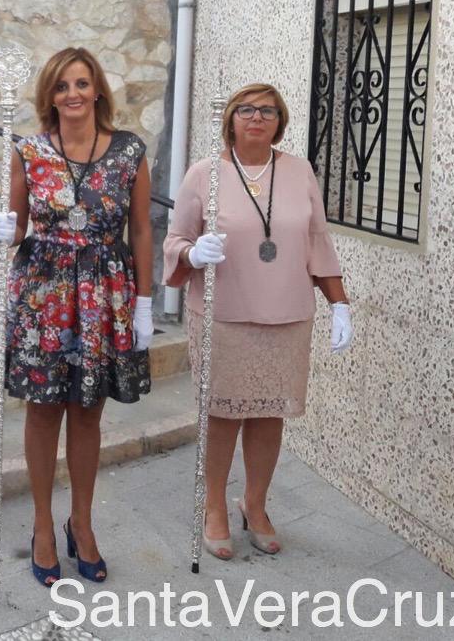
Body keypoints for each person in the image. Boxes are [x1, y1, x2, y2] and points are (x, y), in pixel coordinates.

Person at [0, 47, 154, 587]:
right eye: (61, 86)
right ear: (49, 96)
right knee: (42, 411)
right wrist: (2, 230)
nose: (73, 94)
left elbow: (143, 230)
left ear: (98, 90)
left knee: (88, 413)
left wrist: (145, 301)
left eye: (82, 83)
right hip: (44, 296)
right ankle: (41, 525)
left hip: (105, 292)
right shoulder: (29, 150)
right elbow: (16, 227)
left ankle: (81, 523)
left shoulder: (129, 151)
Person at [163, 82, 351, 560]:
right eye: (246, 109)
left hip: (287, 315)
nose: (256, 117)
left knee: (269, 413)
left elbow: (317, 239)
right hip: (225, 315)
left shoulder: (299, 171)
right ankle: (214, 508)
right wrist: (191, 251)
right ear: (230, 119)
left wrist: (340, 303)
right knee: (223, 414)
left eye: (267, 110)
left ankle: (255, 503)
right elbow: (176, 239)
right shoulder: (203, 174)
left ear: (280, 121)